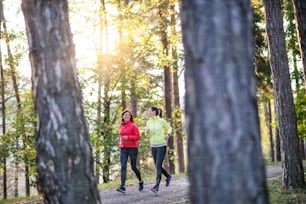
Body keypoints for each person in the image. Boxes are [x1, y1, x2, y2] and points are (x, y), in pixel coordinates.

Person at [145, 106, 172, 193]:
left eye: (149, 111)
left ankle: (156, 186)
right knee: (158, 165)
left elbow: (169, 128)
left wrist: (168, 134)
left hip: (161, 145)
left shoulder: (161, 121)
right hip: (153, 145)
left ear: (154, 112)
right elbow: (147, 135)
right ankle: (168, 176)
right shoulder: (148, 122)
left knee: (158, 164)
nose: (148, 112)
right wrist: (147, 132)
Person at [116, 110, 144, 193]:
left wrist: (128, 137)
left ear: (130, 116)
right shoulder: (121, 126)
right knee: (123, 166)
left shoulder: (133, 125)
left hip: (132, 148)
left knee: (133, 167)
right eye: (125, 115)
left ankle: (140, 181)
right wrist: (121, 142)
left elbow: (138, 137)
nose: (127, 116)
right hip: (123, 148)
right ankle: (122, 186)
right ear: (123, 117)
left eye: (128, 115)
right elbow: (121, 136)